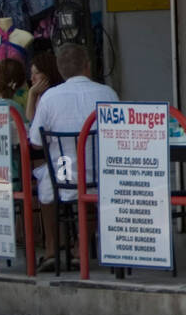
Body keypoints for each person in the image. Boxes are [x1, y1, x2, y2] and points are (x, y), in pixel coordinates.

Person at [28, 43, 119, 270]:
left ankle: (51, 248)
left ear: (60, 70)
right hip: (100, 173)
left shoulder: (49, 98)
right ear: (88, 67)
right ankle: (81, 246)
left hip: (63, 173)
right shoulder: (107, 93)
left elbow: (36, 142)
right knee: (90, 181)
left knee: (47, 178)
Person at [25, 49, 64, 124]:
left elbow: (32, 123)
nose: (32, 78)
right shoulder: (37, 94)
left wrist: (32, 94)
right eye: (31, 73)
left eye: (37, 73)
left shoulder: (55, 97)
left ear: (49, 74)